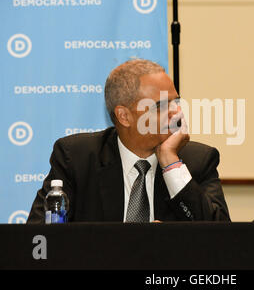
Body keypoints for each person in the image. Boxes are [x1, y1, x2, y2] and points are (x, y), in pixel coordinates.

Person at [27, 59, 230, 223]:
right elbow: (40, 241)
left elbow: (222, 241)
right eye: (161, 106)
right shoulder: (76, 159)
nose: (176, 112)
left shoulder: (198, 160)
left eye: (176, 102)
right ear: (124, 116)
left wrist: (171, 163)